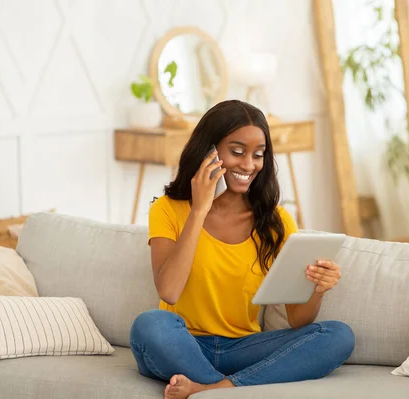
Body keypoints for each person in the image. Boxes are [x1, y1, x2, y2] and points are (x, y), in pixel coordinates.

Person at [129, 100, 355, 399]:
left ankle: (213, 390)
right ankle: (233, 389)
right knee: (150, 325)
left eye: (258, 155)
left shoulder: (277, 222)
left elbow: (299, 320)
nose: (249, 165)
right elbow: (169, 291)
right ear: (208, 151)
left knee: (338, 335)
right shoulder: (168, 210)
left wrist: (317, 288)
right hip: (182, 344)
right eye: (236, 152)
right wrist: (199, 211)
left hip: (244, 348)